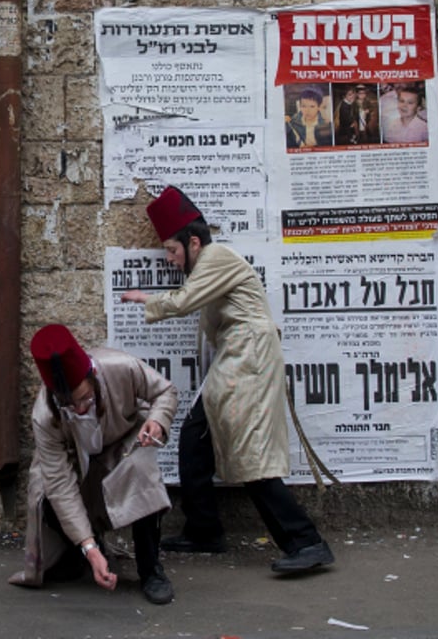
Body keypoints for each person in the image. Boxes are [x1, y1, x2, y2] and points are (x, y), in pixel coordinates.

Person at [120, 186, 334, 574]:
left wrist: (144, 299)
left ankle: (306, 542)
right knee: (193, 437)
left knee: (251, 454)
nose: (170, 259)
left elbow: (183, 301)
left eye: (172, 250)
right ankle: (204, 530)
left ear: (194, 241)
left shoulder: (215, 257)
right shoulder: (208, 267)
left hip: (248, 358)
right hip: (235, 359)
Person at [8, 324, 178, 605]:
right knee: (45, 493)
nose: (80, 409)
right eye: (69, 404)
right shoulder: (44, 415)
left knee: (143, 474)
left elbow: (165, 392)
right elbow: (61, 485)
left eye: (85, 398)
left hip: (122, 446)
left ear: (94, 375)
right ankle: (84, 556)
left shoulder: (121, 366)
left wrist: (158, 420)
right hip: (78, 462)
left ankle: (151, 571)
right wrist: (90, 547)